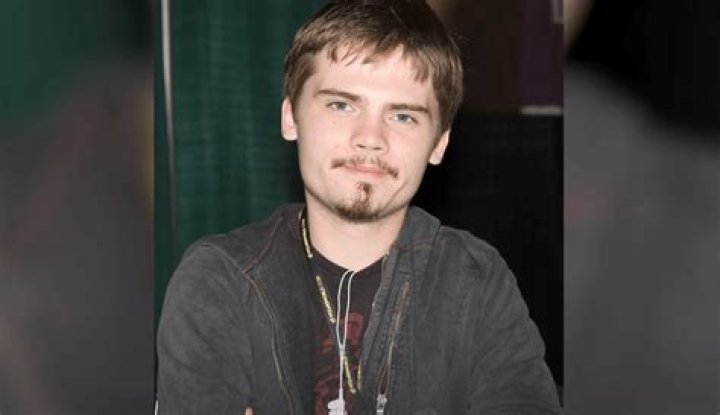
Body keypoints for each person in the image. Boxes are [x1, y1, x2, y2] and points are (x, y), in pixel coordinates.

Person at [156, 0, 560, 413]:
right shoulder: (219, 280)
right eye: (342, 105)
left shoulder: (475, 280)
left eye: (403, 116)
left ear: (439, 143)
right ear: (290, 117)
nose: (370, 138)